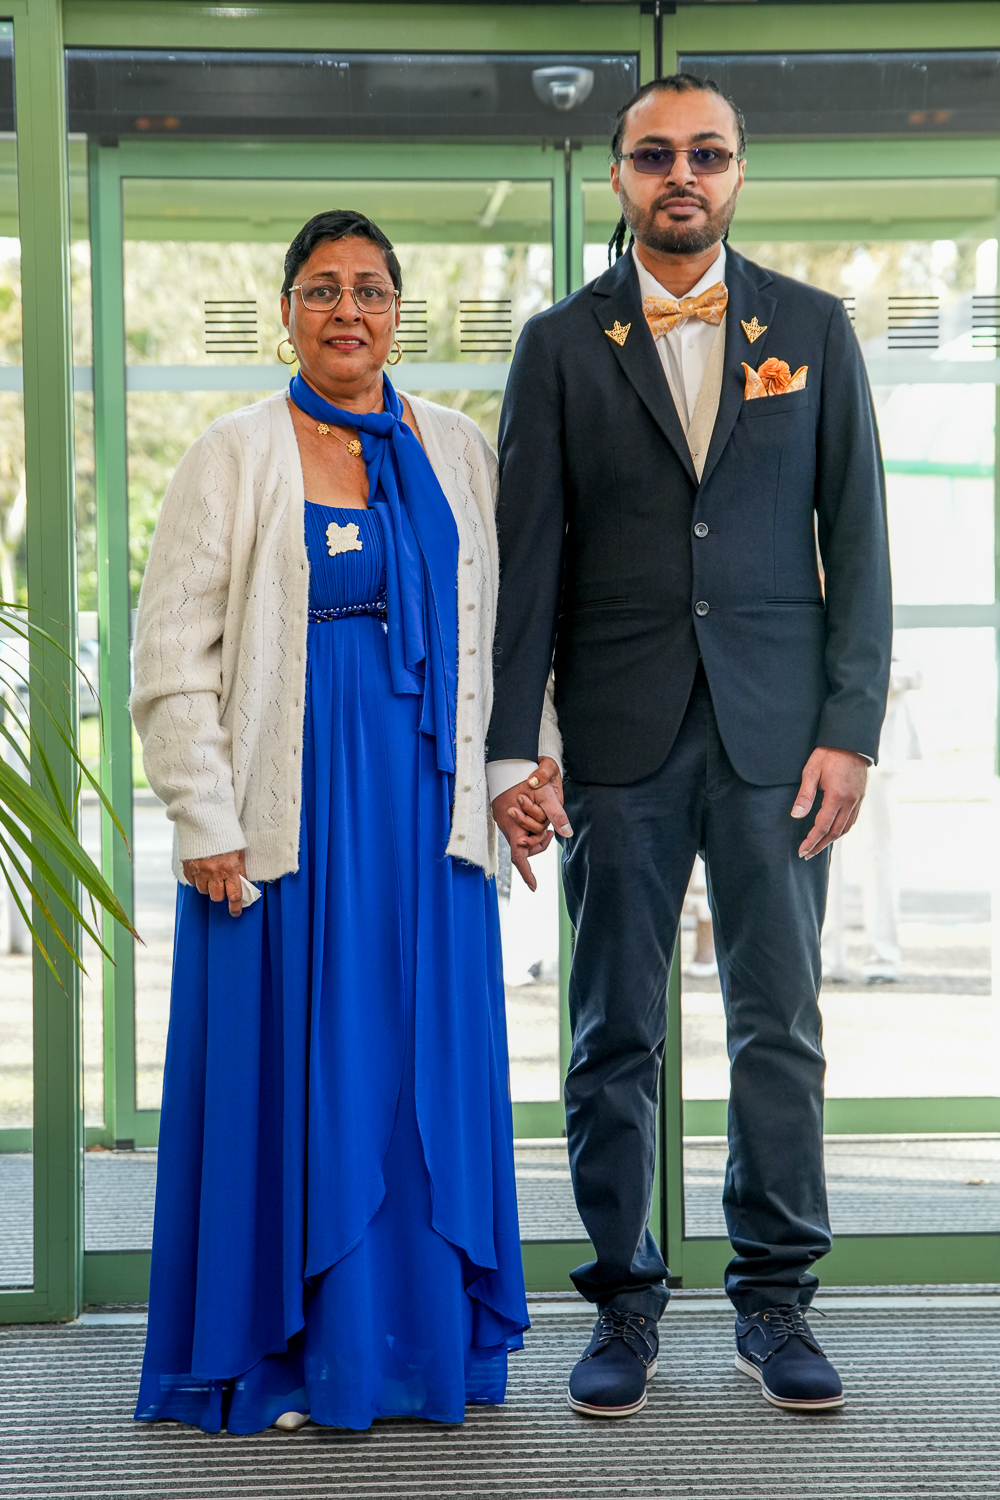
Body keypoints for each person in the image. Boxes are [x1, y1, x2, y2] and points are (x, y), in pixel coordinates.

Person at [488, 75, 891, 1416]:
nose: (682, 174)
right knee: (612, 1029)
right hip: (618, 733)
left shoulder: (813, 329)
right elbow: (528, 564)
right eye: (655, 154)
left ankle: (775, 1300)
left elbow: (860, 541)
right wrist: (514, 747)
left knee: (779, 1025)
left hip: (780, 740)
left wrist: (850, 730)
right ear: (617, 175)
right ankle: (623, 1298)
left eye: (705, 155)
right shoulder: (558, 345)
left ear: (736, 174)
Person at [131, 209, 540, 1435]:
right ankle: (288, 1356)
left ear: (397, 311)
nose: (346, 310)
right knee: (298, 1073)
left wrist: (522, 772)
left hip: (430, 822)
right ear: (287, 314)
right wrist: (205, 814)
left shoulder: (458, 447)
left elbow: (506, 634)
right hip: (285, 824)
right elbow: (170, 659)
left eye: (368, 289)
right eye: (321, 290)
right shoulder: (232, 452)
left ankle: (412, 1347)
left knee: (419, 1075)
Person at [823, 650, 923, 983]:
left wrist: (865, 676)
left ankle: (883, 958)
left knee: (881, 857)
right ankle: (826, 958)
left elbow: (916, 673)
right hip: (827, 750)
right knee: (824, 853)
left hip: (882, 756)